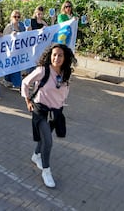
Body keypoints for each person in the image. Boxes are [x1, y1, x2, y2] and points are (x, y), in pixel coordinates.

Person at [21, 43, 76, 188]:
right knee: (49, 141)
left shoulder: (66, 73)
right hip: (40, 110)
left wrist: (61, 105)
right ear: (50, 56)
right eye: (54, 55)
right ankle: (46, 171)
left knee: (44, 138)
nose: (57, 58)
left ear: (65, 58)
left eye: (60, 55)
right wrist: (28, 100)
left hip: (55, 112)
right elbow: (25, 83)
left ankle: (36, 155)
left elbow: (64, 91)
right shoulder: (42, 70)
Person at [2, 10, 26, 89]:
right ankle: (18, 85)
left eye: (18, 16)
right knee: (15, 68)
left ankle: (7, 80)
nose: (17, 18)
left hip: (19, 51)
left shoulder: (22, 26)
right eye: (15, 16)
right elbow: (4, 38)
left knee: (13, 68)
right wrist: (11, 35)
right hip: (10, 51)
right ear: (11, 17)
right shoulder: (9, 27)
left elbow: (26, 35)